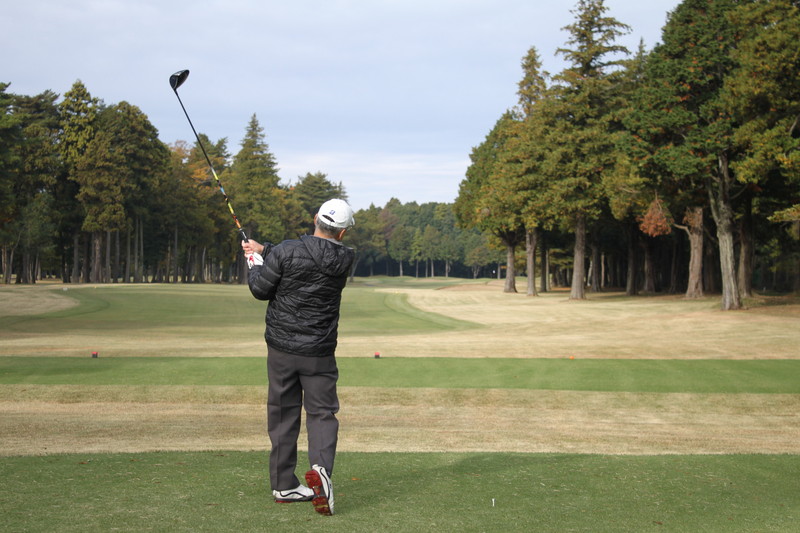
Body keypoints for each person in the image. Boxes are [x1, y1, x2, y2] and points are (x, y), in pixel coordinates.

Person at [242, 198, 355, 517]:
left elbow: (260, 289)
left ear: (315, 217)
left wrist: (254, 262)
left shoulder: (287, 251)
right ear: (342, 233)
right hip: (319, 352)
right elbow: (305, 256)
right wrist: (265, 250)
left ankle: (283, 484)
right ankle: (321, 471)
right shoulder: (346, 258)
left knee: (282, 413)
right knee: (322, 413)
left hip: (281, 349)